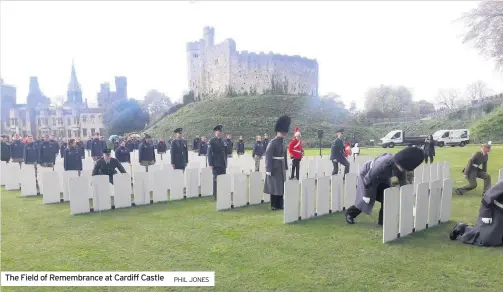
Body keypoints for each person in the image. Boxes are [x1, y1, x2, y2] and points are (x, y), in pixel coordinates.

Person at [345, 147, 424, 225]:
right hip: (367, 175)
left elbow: (403, 181)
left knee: (387, 197)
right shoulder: (383, 164)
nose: (403, 170)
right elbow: (368, 179)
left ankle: (383, 220)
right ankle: (350, 214)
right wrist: (367, 195)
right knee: (366, 200)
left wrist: (409, 200)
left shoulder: (401, 166)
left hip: (383, 178)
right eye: (403, 168)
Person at [449, 180, 503, 247]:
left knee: (499, 240)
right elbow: (488, 196)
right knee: (485, 240)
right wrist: (486, 214)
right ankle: (463, 228)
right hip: (493, 210)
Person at [264, 116, 290, 211]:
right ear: (278, 131)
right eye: (283, 132)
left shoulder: (282, 142)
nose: (284, 133)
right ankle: (274, 205)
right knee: (274, 186)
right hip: (274, 167)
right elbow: (268, 156)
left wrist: (286, 166)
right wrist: (268, 169)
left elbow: (284, 155)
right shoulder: (273, 142)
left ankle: (280, 204)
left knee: (281, 186)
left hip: (281, 167)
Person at [208, 125, 227, 199]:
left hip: (223, 163)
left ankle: (222, 193)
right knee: (216, 179)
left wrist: (226, 163)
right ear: (216, 131)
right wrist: (210, 163)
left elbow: (225, 153)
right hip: (216, 163)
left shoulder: (223, 140)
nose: (220, 132)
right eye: (219, 131)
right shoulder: (212, 141)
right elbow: (209, 153)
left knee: (223, 179)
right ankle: (216, 194)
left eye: (221, 131)